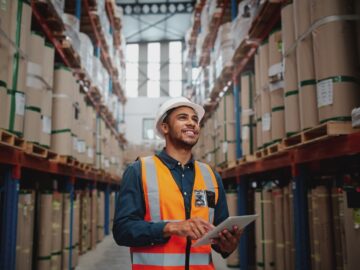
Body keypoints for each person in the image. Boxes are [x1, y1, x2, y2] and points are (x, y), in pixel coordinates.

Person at [113, 96, 243, 270]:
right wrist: (171, 227)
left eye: (195, 119)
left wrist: (228, 245)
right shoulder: (139, 171)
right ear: (164, 127)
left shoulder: (210, 176)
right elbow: (122, 230)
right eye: (183, 117)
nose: (192, 123)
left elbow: (218, 235)